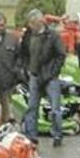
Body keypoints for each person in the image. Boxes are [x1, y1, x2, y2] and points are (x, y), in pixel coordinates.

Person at [19, 9, 68, 147]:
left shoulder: (53, 36)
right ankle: (31, 135)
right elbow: (23, 53)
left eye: (32, 23)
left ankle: (57, 135)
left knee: (55, 108)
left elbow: (60, 55)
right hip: (34, 75)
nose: (30, 26)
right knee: (32, 107)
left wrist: (52, 73)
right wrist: (26, 69)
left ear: (39, 22)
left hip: (50, 77)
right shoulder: (28, 36)